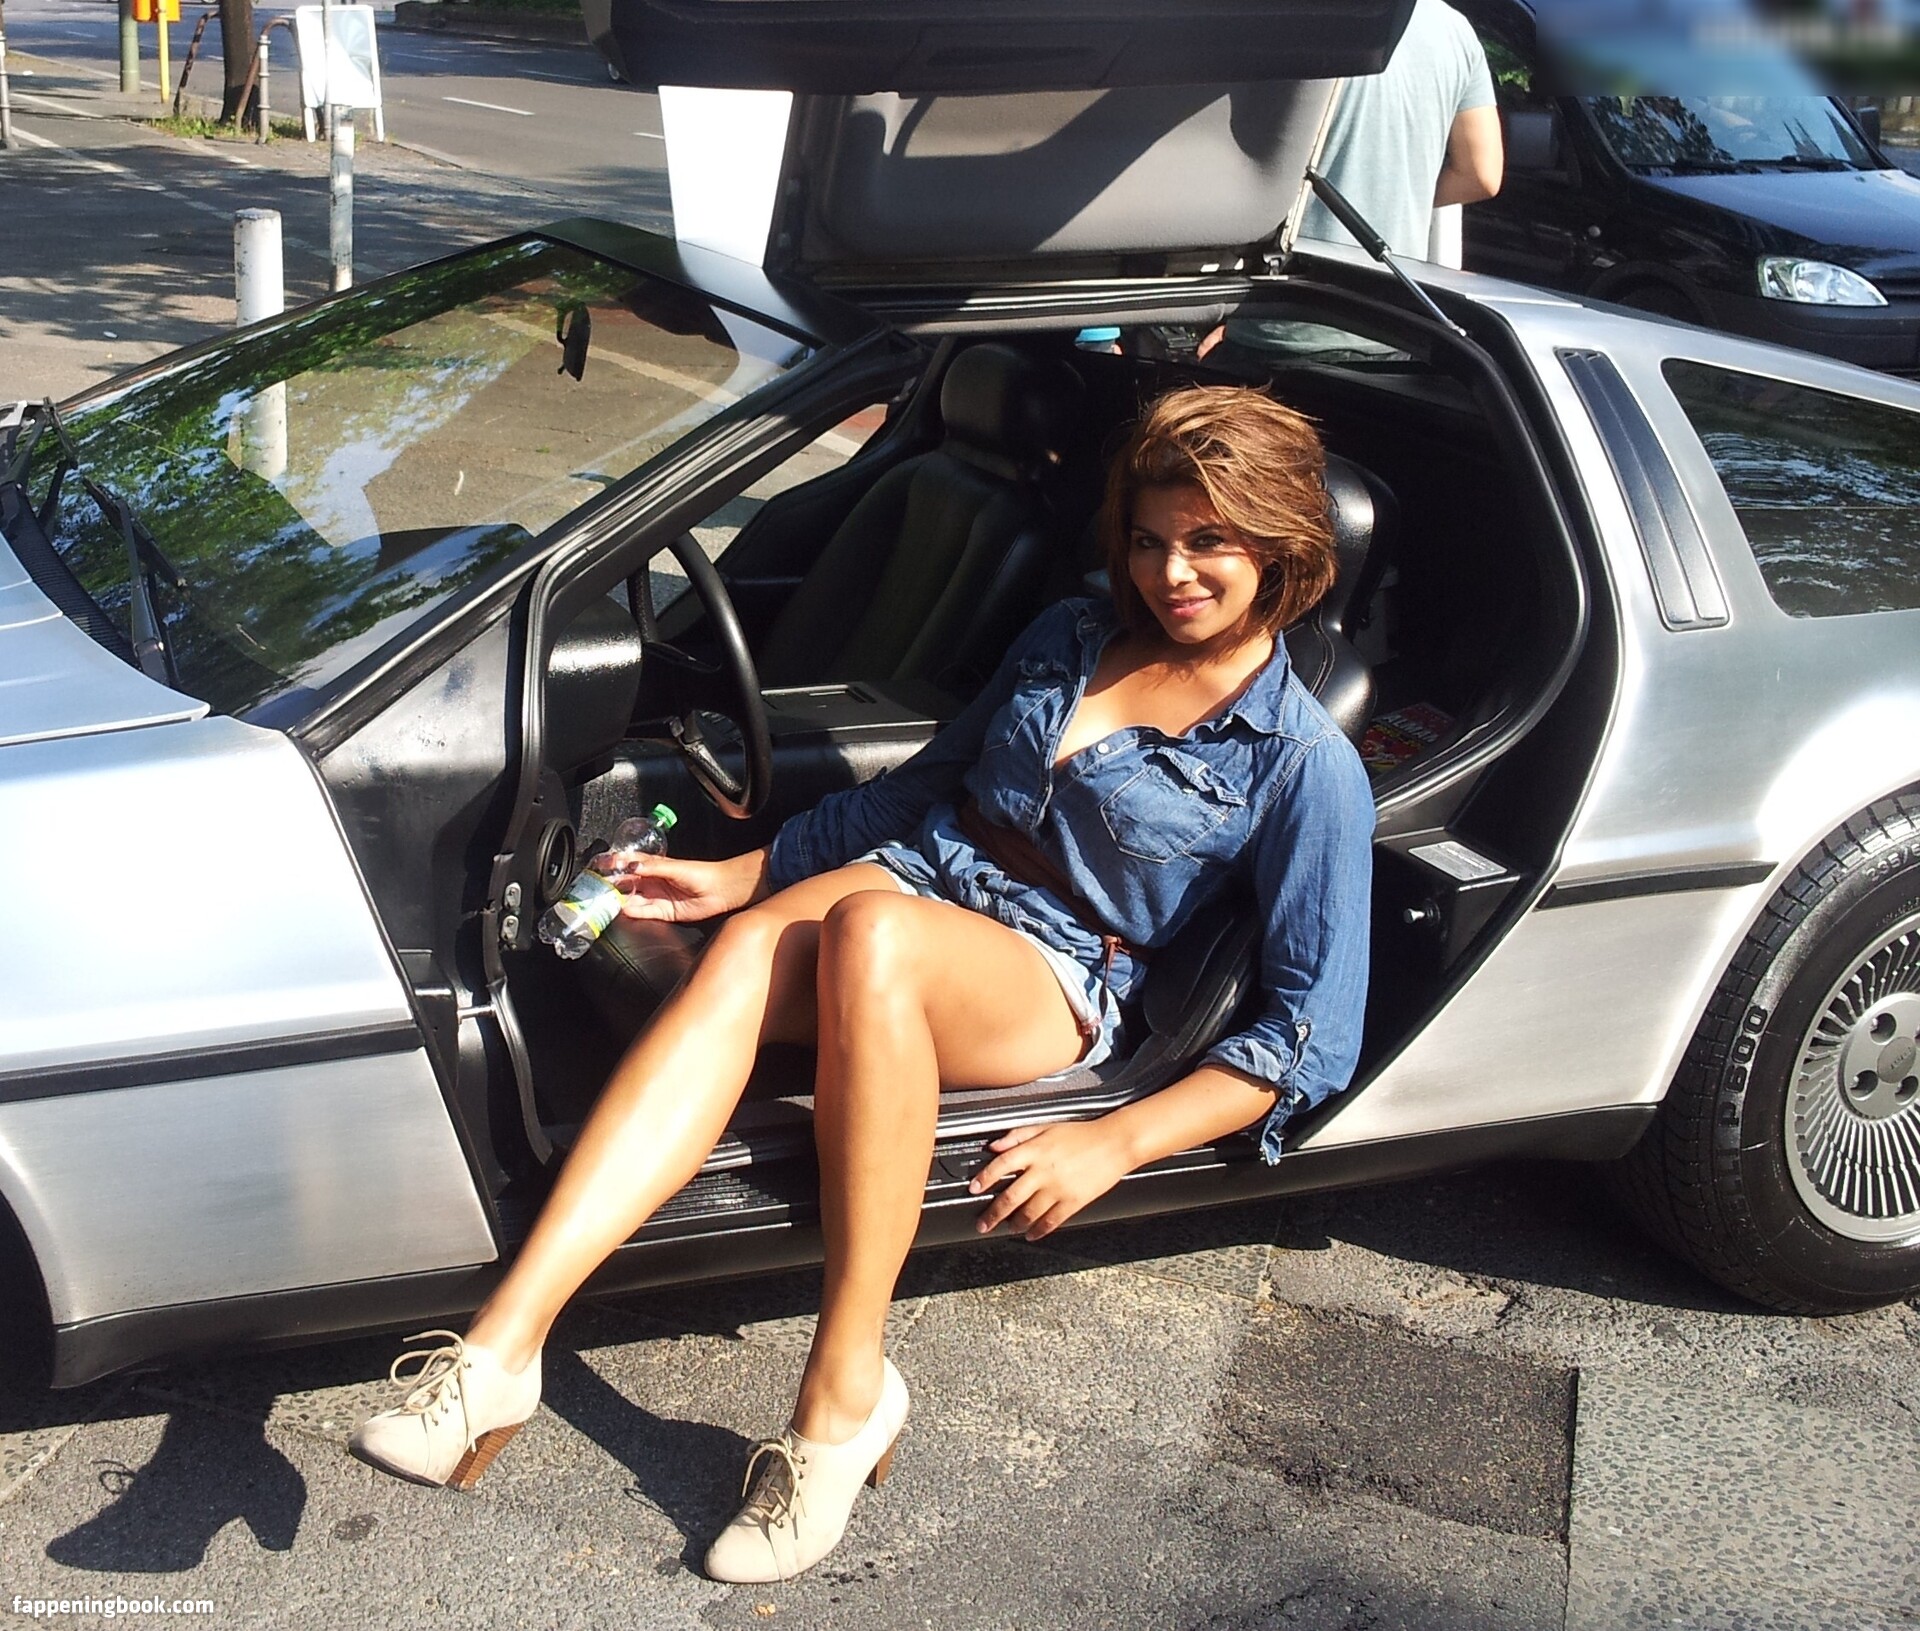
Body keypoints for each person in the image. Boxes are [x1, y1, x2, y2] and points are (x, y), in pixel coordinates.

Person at [348, 384, 1375, 1584]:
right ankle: (500, 1351)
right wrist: (737, 874)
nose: (1171, 572)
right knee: (752, 947)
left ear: (1281, 548)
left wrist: (1117, 1139)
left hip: (1056, 963)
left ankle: (844, 1394)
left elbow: (1308, 1037)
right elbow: (920, 790)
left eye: (1209, 542)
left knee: (873, 930)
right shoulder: (1071, 632)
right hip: (916, 876)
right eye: (1149, 540)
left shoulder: (1303, 762)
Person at [1296, 0, 1505, 260]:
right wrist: (1394, 201)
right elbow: (1482, 176)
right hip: (1396, 268)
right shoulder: (1457, 32)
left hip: (1298, 264)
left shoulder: (1299, 13)